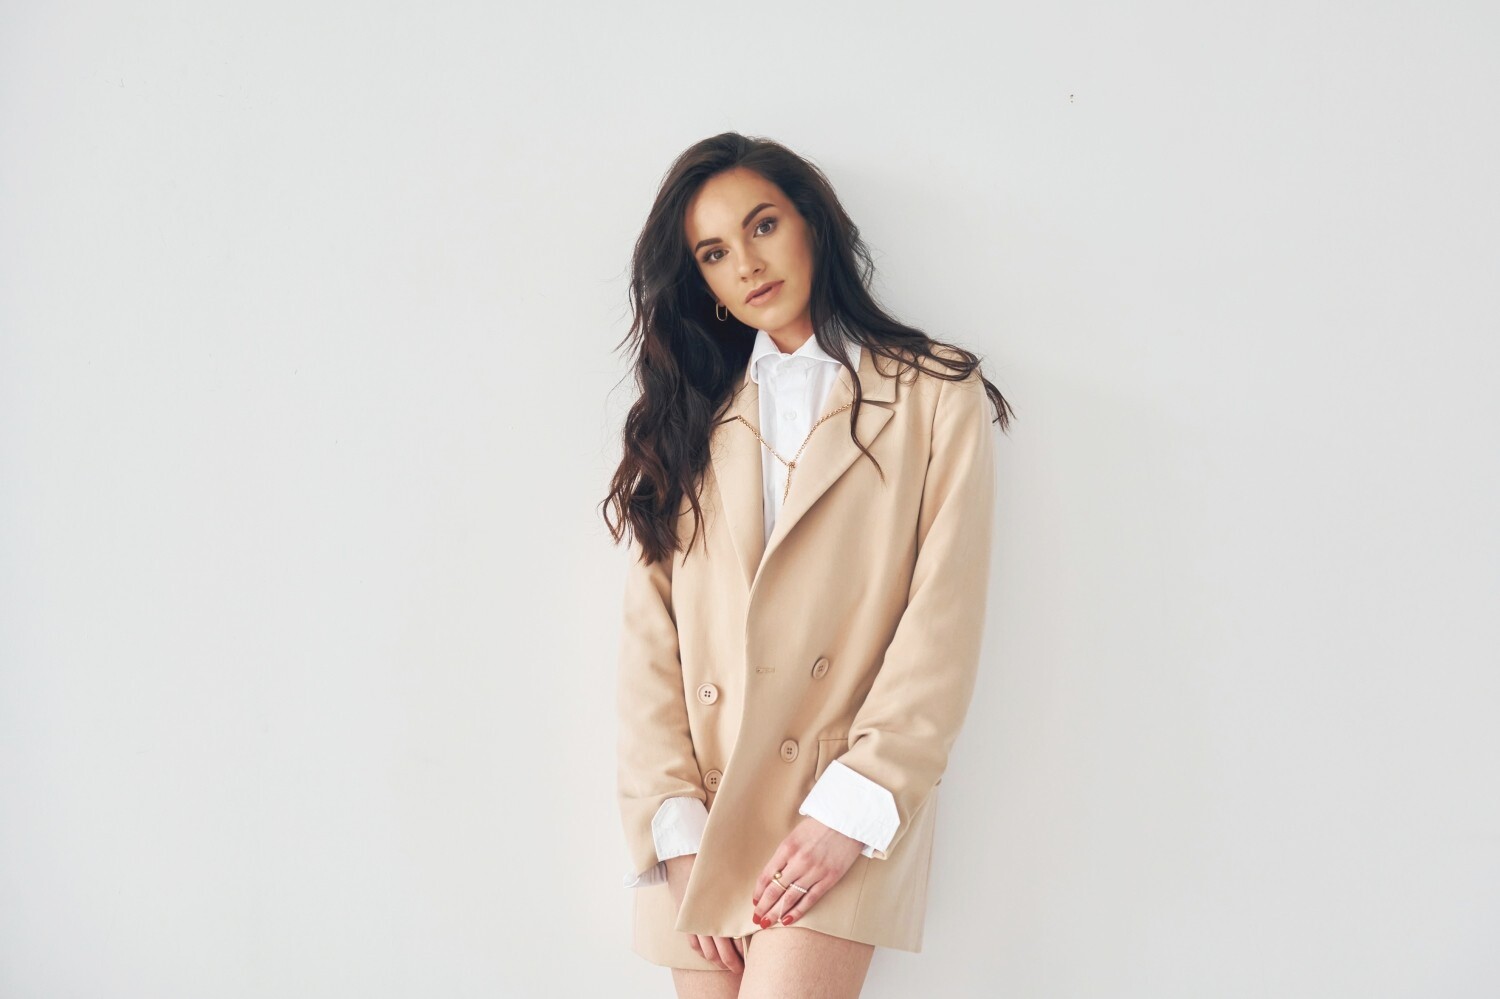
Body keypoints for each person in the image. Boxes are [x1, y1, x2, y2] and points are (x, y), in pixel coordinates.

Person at [601, 132, 1013, 999]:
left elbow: (942, 623)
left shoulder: (935, 393)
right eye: (714, 252)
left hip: (838, 804)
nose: (747, 264)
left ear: (813, 224)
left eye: (763, 225)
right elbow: (649, 647)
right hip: (702, 813)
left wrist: (851, 811)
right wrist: (675, 830)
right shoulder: (688, 420)